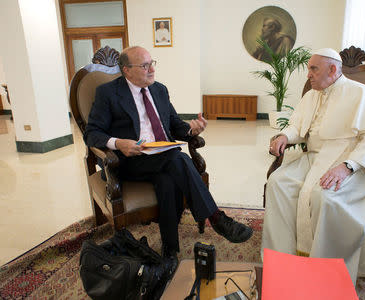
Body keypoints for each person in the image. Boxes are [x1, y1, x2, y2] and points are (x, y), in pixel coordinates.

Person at [84, 46, 253, 273]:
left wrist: (193, 130)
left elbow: (175, 126)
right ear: (126, 70)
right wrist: (118, 143)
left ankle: (169, 252)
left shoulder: (159, 90)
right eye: (144, 65)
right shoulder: (108, 93)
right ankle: (216, 217)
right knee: (179, 160)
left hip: (161, 157)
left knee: (167, 178)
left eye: (152, 62)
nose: (152, 69)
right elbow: (92, 133)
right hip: (130, 160)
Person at [261, 48, 365, 284]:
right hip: (314, 158)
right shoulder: (311, 95)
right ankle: (284, 258)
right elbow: (297, 126)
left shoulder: (363, 94)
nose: (308, 75)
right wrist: (285, 136)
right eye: (309, 69)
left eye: (313, 69)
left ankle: (325, 273)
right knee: (278, 183)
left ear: (333, 69)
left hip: (351, 162)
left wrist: (348, 166)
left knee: (324, 196)